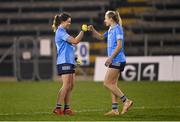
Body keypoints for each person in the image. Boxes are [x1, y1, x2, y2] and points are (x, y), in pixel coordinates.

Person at [88, 10, 133, 116]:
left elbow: (119, 46)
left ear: (111, 19)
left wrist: (110, 58)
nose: (104, 20)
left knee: (107, 83)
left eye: (106, 18)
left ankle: (126, 101)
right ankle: (115, 109)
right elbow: (100, 37)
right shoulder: (110, 29)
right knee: (113, 84)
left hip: (117, 60)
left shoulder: (118, 29)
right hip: (116, 60)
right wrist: (92, 30)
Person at [52, 12, 84, 115]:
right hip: (64, 61)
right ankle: (57, 108)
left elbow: (67, 48)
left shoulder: (64, 32)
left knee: (70, 85)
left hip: (69, 61)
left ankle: (67, 108)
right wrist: (82, 31)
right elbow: (75, 41)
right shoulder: (60, 32)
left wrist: (74, 58)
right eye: (68, 22)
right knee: (66, 85)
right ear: (62, 21)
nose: (69, 23)